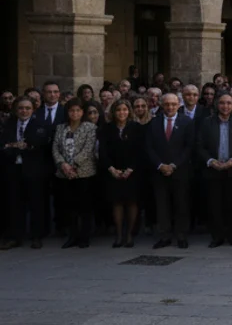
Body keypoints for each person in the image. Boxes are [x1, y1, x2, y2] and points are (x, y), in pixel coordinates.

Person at [146, 93, 195, 249]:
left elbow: (189, 147)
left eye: (173, 104)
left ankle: (181, 235)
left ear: (178, 105)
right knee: (162, 205)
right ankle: (165, 235)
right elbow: (149, 147)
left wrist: (174, 165)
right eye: (167, 104)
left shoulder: (187, 122)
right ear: (162, 105)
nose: (170, 107)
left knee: (181, 204)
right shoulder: (154, 123)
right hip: (159, 172)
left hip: (179, 171)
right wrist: (160, 165)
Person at [1, 97, 51, 250]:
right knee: (14, 204)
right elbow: (3, 146)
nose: (24, 111)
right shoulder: (8, 125)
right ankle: (15, 237)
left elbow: (38, 144)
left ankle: (37, 236)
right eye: (21, 108)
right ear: (16, 110)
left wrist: (17, 146)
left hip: (33, 171)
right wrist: (20, 146)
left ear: (33, 109)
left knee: (36, 204)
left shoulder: (40, 125)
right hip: (13, 170)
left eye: (27, 108)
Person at [196, 94, 232, 248]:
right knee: (214, 205)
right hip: (213, 169)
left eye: (229, 103)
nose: (226, 106)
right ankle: (217, 236)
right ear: (217, 105)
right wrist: (211, 161)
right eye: (223, 103)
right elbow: (200, 146)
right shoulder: (207, 122)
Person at [98, 100, 145, 248]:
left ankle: (130, 234)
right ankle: (119, 234)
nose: (122, 113)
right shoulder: (106, 128)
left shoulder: (136, 128)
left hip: (132, 171)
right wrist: (111, 169)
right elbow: (102, 151)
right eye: (118, 110)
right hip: (113, 171)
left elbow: (141, 150)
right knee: (117, 202)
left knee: (131, 202)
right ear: (114, 112)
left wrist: (131, 169)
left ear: (129, 111)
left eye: (125, 110)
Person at [53, 99, 97, 248]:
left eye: (78, 110)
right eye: (72, 111)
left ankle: (84, 237)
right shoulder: (60, 128)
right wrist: (63, 165)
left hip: (83, 172)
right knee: (68, 206)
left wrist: (73, 165)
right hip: (64, 173)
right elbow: (55, 149)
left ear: (82, 112)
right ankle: (73, 235)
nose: (75, 113)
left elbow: (88, 149)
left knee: (84, 206)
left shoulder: (90, 128)